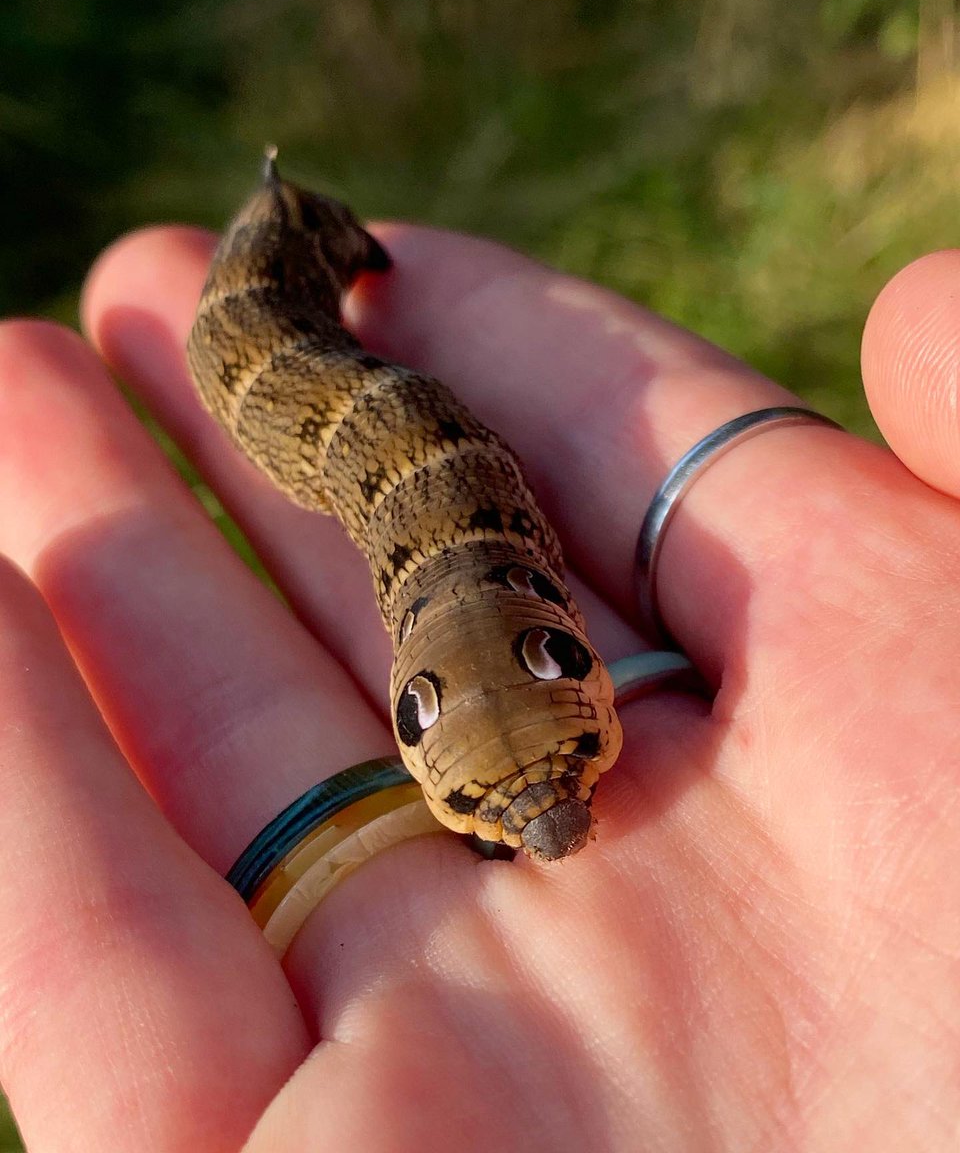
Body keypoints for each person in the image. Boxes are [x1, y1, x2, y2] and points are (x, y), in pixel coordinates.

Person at [0, 216, 955, 1152]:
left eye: (493, 799)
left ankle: (297, 229)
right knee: (275, 367)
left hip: (318, 380)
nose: (551, 818)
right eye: (562, 762)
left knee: (299, 377)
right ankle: (294, 227)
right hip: (278, 364)